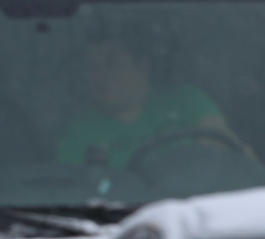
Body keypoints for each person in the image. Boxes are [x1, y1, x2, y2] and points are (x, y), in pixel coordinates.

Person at [57, 33, 231, 168]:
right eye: (93, 67)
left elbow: (229, 159)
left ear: (143, 67)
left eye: (112, 65)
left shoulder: (188, 102)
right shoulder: (79, 133)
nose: (100, 76)